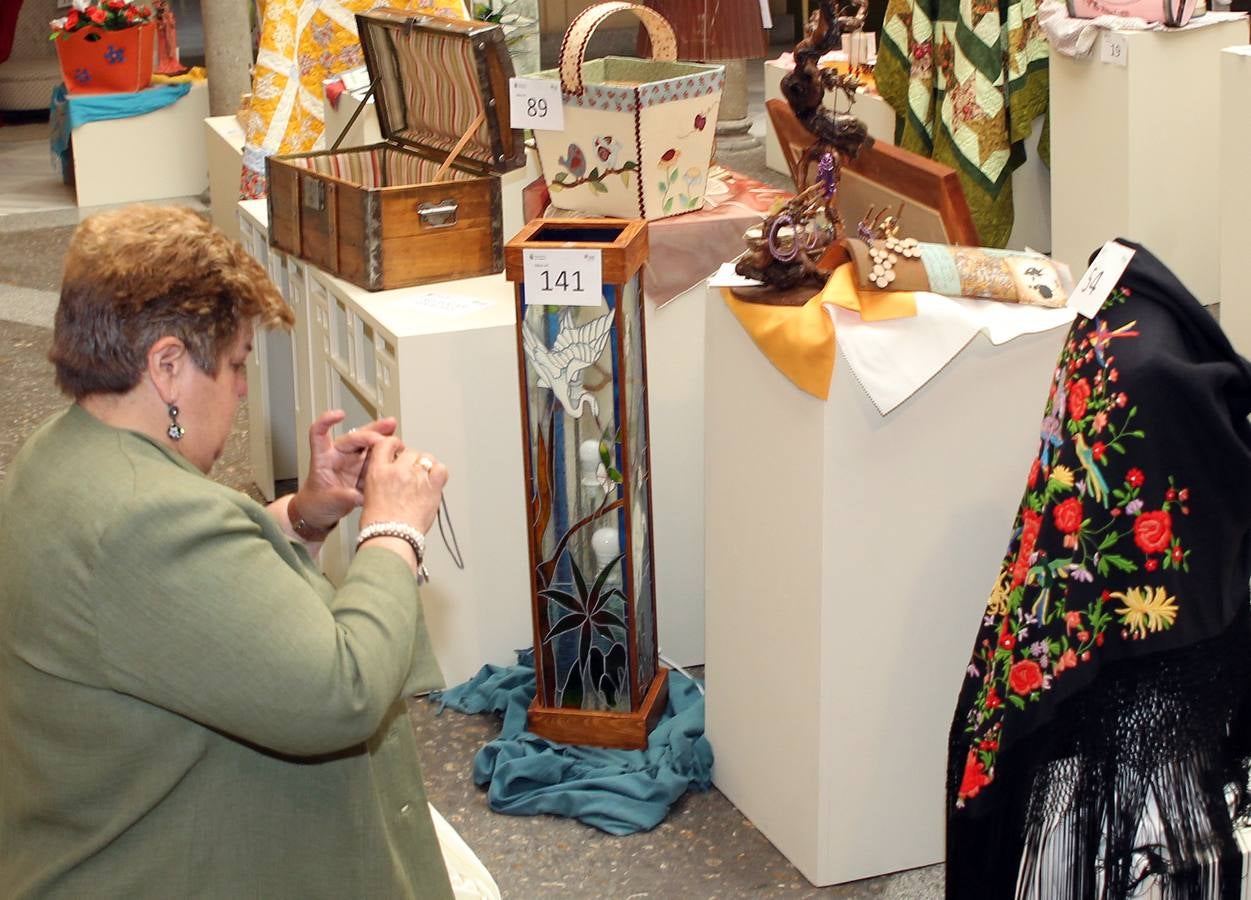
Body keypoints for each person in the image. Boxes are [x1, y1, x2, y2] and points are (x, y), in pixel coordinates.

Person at [0, 205, 456, 898]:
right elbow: (344, 690)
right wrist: (393, 531)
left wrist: (301, 517)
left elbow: (174, 595)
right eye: (238, 363)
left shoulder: (59, 452)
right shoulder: (143, 519)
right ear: (168, 366)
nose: (243, 390)